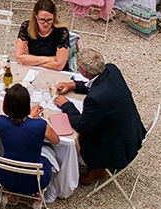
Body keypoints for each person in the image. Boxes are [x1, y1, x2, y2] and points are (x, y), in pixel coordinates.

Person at [53, 48, 146, 185]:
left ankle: (98, 170)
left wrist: (66, 105)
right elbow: (95, 85)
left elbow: (81, 125)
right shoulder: (111, 70)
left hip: (117, 146)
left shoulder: (96, 99)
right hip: (132, 132)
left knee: (77, 137)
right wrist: (73, 85)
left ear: (84, 72)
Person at [0, 84, 58, 199]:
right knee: (49, 153)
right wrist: (30, 117)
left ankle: (9, 194)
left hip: (5, 177)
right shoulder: (40, 125)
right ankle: (37, 196)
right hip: (35, 181)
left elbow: (17, 128)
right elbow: (56, 140)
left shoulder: (0, 121)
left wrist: (28, 117)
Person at [14, 0, 70, 70]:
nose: (46, 24)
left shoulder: (61, 32)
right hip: (34, 70)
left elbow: (59, 65)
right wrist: (52, 59)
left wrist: (29, 59)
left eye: (49, 20)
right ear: (36, 16)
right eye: (42, 20)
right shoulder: (26, 27)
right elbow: (19, 58)